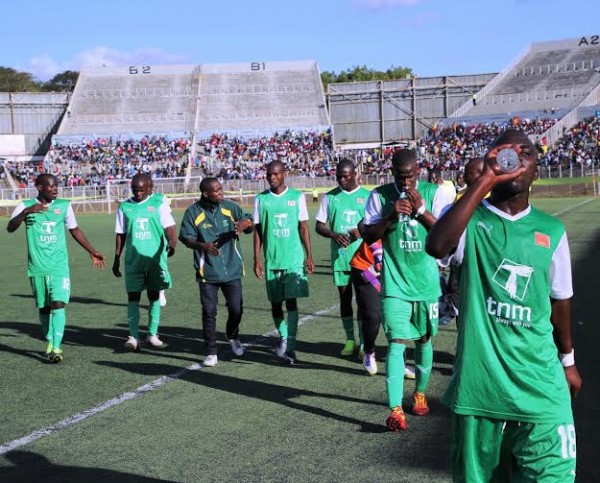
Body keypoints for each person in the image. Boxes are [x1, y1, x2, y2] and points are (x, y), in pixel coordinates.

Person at [426, 130, 582, 482]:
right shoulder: (470, 221)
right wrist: (485, 180)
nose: (515, 157)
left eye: (525, 152)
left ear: (536, 170)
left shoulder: (552, 230)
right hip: (481, 392)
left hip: (542, 388)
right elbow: (436, 246)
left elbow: (561, 300)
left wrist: (568, 362)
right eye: (505, 151)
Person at [362, 149, 448, 431]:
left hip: (426, 285)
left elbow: (445, 234)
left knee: (424, 341)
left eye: (410, 175)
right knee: (397, 344)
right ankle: (395, 409)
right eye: (401, 176)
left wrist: (420, 209)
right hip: (395, 285)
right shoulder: (379, 195)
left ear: (418, 171)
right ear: (392, 172)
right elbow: (369, 235)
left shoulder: (436, 193)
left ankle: (420, 393)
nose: (406, 181)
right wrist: (390, 214)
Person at [7, 173, 106, 363]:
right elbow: (10, 227)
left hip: (59, 266)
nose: (55, 189)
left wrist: (91, 251)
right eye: (51, 186)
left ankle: (57, 347)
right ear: (40, 187)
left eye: (56, 186)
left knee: (58, 304)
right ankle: (50, 342)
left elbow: (74, 230)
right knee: (44, 309)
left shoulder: (64, 206)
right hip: (37, 267)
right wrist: (27, 212)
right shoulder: (25, 205)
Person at [179, 178, 253, 367]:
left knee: (236, 309)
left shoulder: (230, 208)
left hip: (232, 268)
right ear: (205, 193)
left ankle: (232, 335)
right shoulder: (192, 212)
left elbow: (249, 223)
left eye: (221, 189)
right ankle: (211, 352)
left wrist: (247, 223)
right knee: (209, 312)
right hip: (208, 271)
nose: (221, 193)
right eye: (217, 190)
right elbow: (185, 238)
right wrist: (202, 245)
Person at [253, 160, 315, 365]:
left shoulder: (297, 197)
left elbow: (303, 227)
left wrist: (309, 255)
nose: (272, 177)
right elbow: (258, 231)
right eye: (269, 174)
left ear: (284, 174)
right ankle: (283, 336)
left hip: (294, 259)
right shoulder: (260, 199)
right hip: (272, 259)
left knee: (292, 302)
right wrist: (257, 258)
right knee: (275, 305)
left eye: (276, 174)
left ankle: (291, 347)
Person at [112, 173, 177, 351]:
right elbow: (120, 234)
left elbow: (169, 227)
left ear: (149, 188)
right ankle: (133, 338)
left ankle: (152, 335)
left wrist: (172, 243)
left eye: (141, 190)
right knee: (133, 297)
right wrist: (116, 259)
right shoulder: (124, 207)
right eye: (135, 190)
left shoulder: (158, 204)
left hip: (155, 260)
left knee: (154, 296)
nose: (138, 193)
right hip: (134, 261)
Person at [315, 159, 370, 357]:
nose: (342, 180)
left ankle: (365, 342)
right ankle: (350, 340)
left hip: (364, 259)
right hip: (340, 258)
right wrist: (333, 234)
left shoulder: (368, 196)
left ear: (355, 173)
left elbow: (376, 225)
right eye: (339, 176)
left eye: (346, 176)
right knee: (344, 299)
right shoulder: (330, 197)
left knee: (364, 302)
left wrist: (361, 231)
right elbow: (319, 225)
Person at [350, 221, 416, 379]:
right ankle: (369, 352)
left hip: (393, 272)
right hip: (366, 269)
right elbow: (361, 224)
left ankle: (400, 362)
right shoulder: (384, 209)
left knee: (398, 317)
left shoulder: (412, 225)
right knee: (373, 315)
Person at [148, 178, 175, 308]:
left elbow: (168, 220)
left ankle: (161, 292)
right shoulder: (136, 200)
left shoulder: (160, 199)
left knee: (160, 266)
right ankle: (152, 294)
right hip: (144, 239)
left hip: (159, 238)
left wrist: (171, 240)